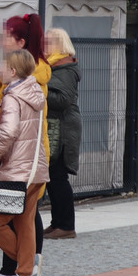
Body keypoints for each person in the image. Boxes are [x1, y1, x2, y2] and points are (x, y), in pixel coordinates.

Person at [0, 14, 50, 276]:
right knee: (25, 222)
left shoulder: (13, 96)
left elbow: (7, 133)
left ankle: (24, 268)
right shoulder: (35, 93)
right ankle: (26, 275)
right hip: (34, 169)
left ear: (14, 71)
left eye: (3, 67)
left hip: (16, 171)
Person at [44, 27, 82, 239]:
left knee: (58, 176)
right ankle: (57, 222)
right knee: (52, 176)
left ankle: (66, 226)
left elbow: (63, 100)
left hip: (64, 128)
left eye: (48, 42)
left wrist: (40, 89)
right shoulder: (54, 66)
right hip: (56, 127)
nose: (43, 46)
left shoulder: (65, 68)